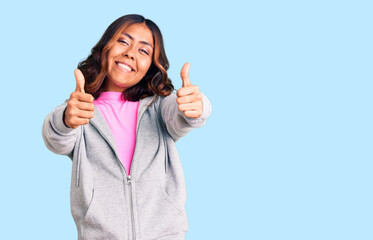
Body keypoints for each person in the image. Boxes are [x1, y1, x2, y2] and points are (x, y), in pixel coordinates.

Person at [42, 14, 212, 240]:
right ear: (105, 47)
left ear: (151, 65)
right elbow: (56, 139)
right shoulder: (81, 109)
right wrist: (65, 119)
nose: (130, 53)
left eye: (144, 50)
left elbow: (182, 114)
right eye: (123, 41)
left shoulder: (159, 107)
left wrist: (197, 106)